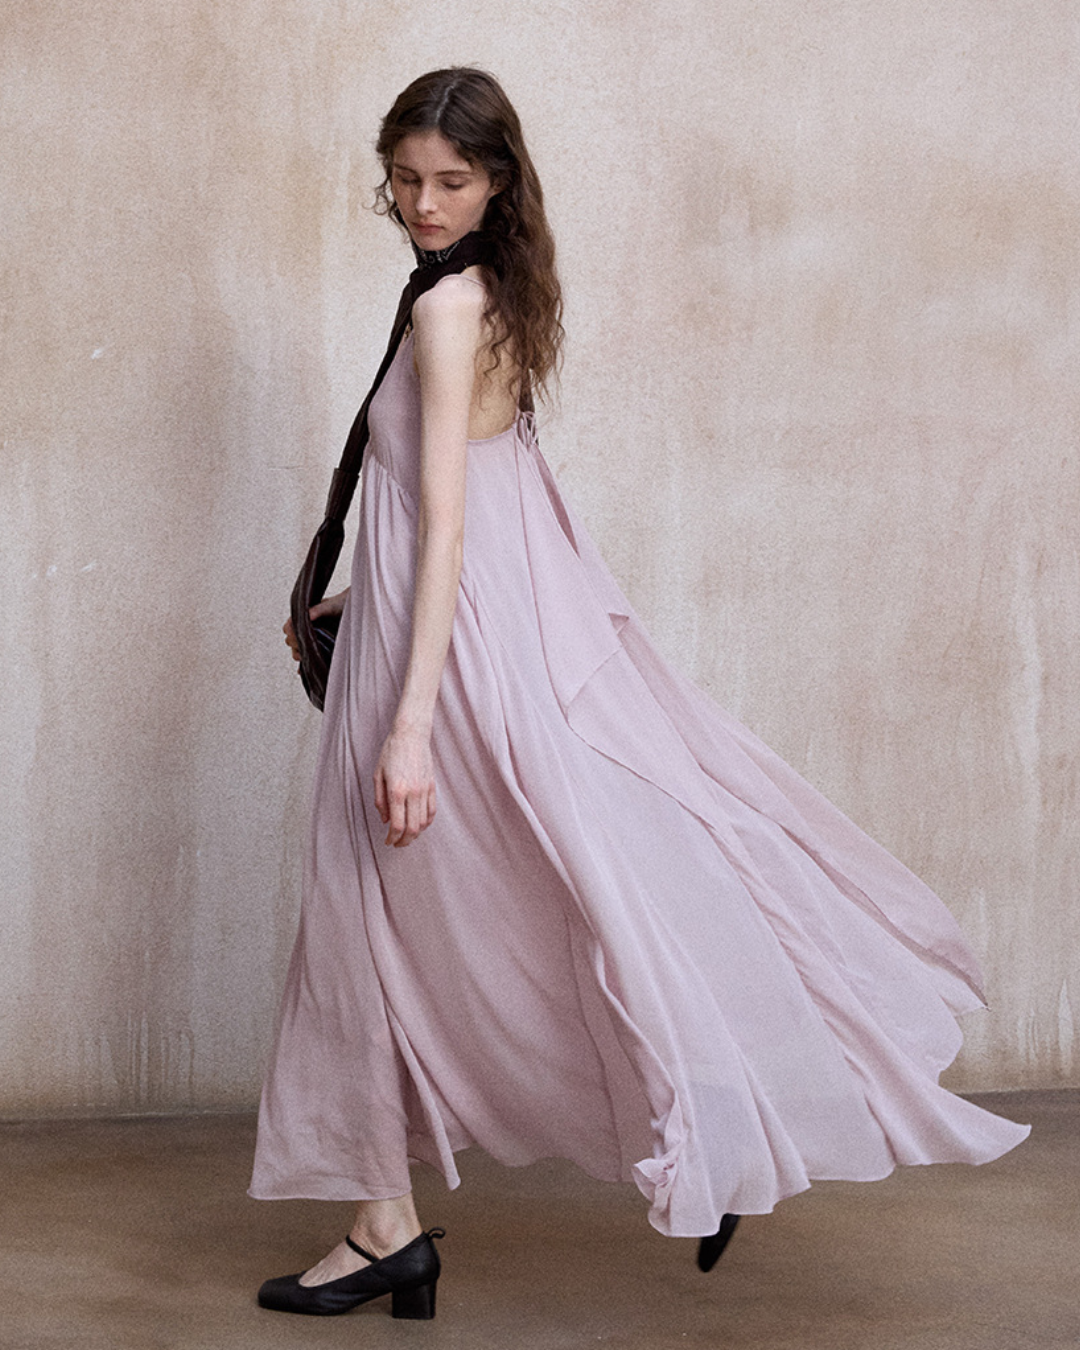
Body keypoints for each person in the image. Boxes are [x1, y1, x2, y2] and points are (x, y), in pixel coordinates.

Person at [251, 67, 1029, 1320]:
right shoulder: (492, 292)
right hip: (448, 638)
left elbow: (449, 520)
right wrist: (360, 597)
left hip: (435, 675)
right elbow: (484, 501)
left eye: (451, 181)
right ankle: (419, 1213)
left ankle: (672, 1133)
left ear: (497, 182)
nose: (424, 203)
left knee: (416, 916)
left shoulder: (448, 307)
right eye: (404, 179)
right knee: (523, 897)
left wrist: (408, 725)